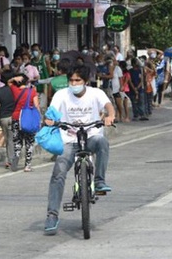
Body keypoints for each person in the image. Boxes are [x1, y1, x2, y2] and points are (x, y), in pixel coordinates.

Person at [43, 64, 115, 235]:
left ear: (86, 81)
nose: (74, 83)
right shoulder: (61, 95)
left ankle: (99, 181)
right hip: (69, 141)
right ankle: (52, 215)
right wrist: (49, 119)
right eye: (71, 80)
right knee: (58, 172)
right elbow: (51, 112)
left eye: (78, 80)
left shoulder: (96, 93)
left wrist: (110, 116)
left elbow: (108, 106)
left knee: (102, 142)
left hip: (91, 137)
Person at [9, 73, 39, 172]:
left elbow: (8, 82)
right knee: (29, 143)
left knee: (17, 141)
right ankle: (27, 165)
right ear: (27, 82)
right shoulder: (32, 92)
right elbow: (36, 106)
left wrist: (14, 78)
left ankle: (16, 156)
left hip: (16, 118)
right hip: (28, 119)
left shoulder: (15, 90)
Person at [0, 70, 20, 168]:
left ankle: (10, 159)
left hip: (4, 117)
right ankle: (13, 159)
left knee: (8, 140)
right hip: (15, 117)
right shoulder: (16, 90)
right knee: (14, 139)